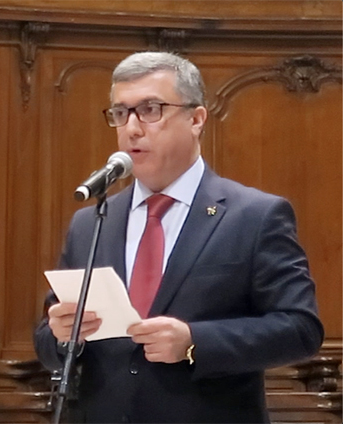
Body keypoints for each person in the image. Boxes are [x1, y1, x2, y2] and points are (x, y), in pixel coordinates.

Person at [34, 51, 323, 423]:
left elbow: (300, 329)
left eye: (150, 110)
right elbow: (46, 340)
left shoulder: (254, 216)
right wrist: (61, 335)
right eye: (121, 113)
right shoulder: (91, 223)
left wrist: (194, 341)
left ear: (196, 119)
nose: (132, 128)